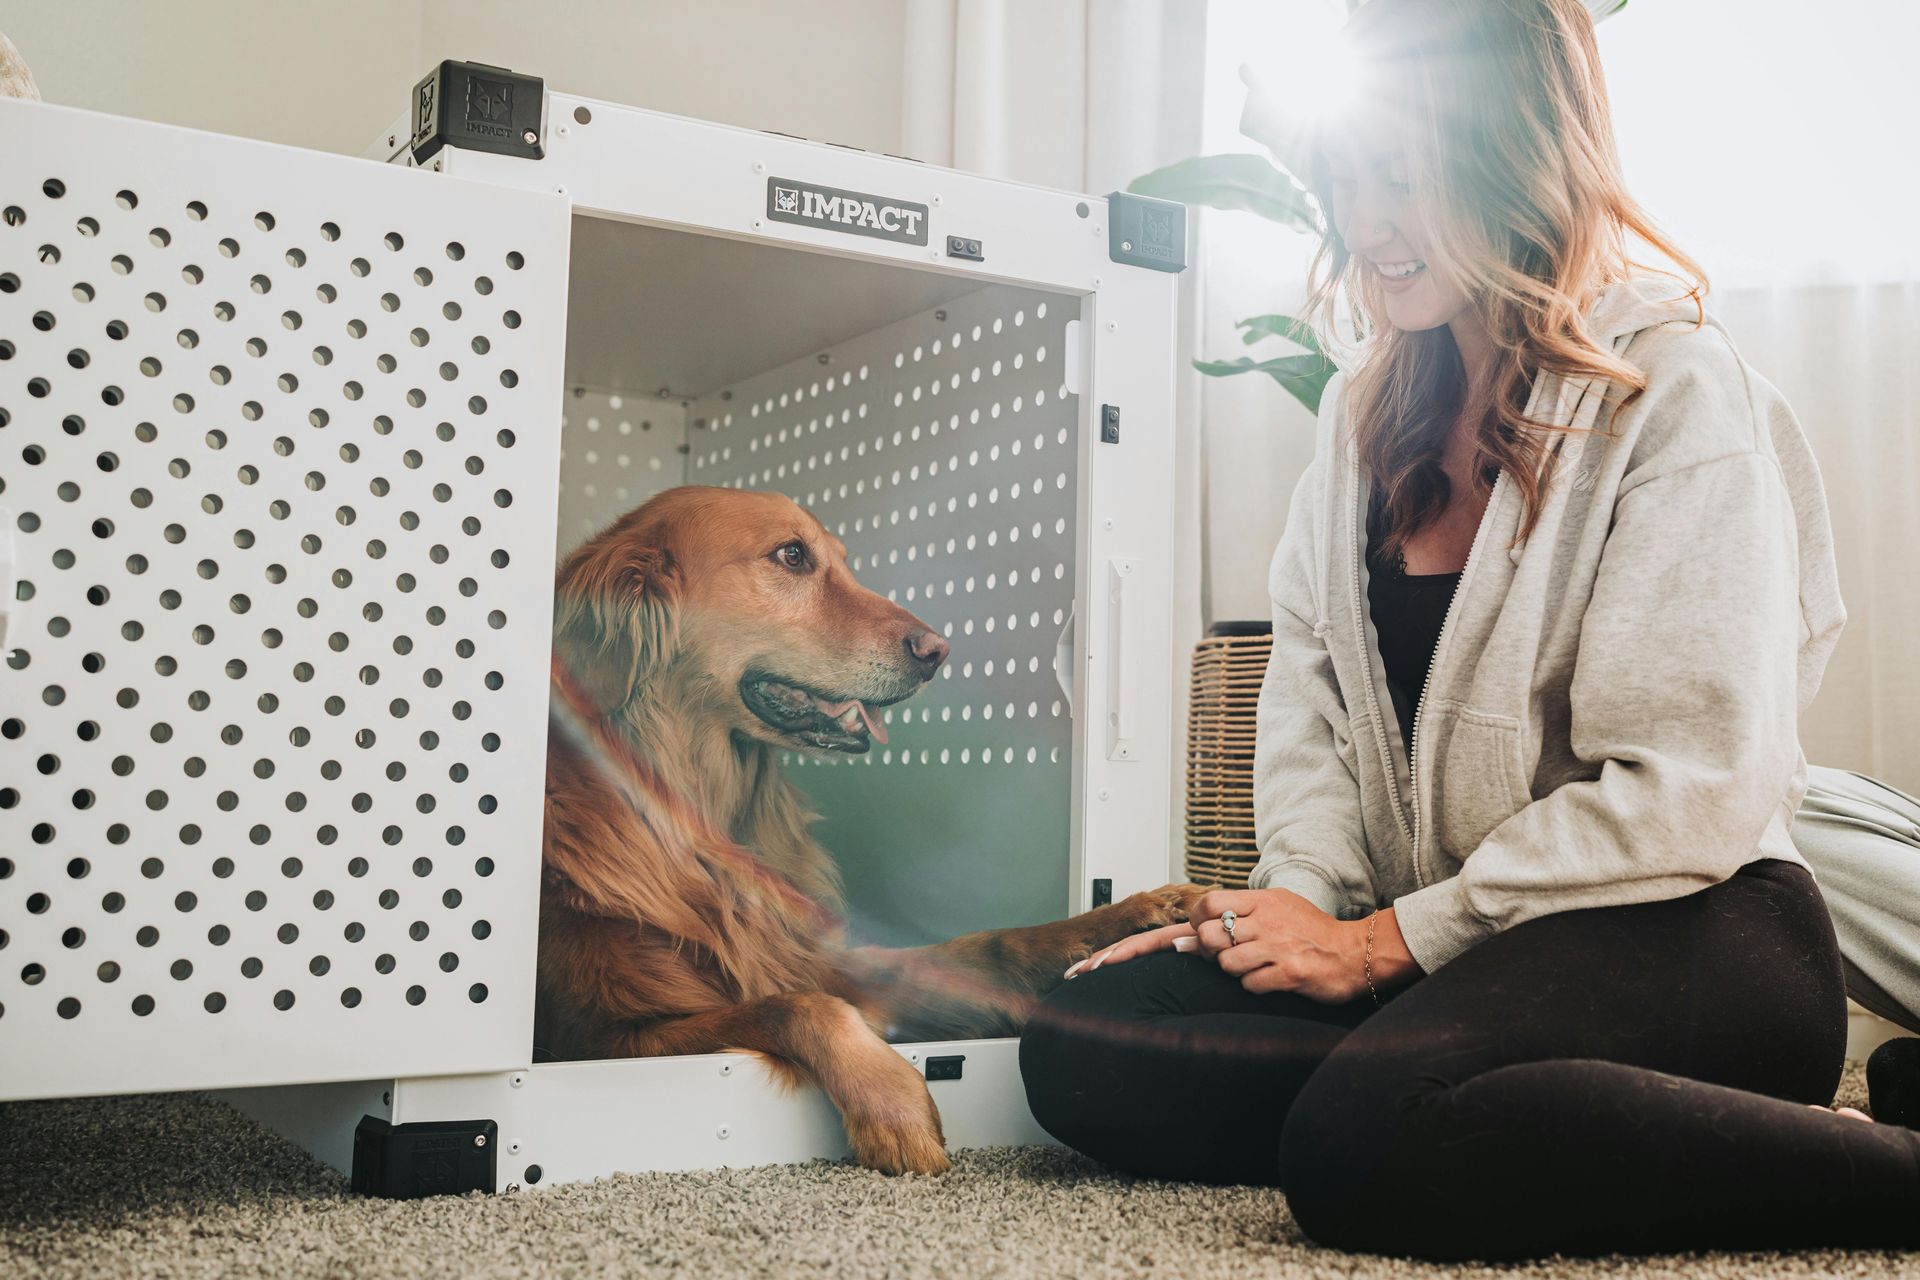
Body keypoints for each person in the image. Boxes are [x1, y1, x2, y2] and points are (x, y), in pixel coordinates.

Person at [1017, 0, 1920, 1261]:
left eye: (1406, 175)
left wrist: (1388, 942)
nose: (1369, 223)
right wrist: (1300, 909)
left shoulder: (1673, 393)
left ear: (1520, 155)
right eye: (1348, 175)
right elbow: (1314, 711)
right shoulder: (1356, 417)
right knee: (1088, 1042)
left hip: (1698, 930)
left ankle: (1890, 1164)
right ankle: (1516, 1102)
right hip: (1461, 950)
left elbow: (1690, 789)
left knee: (1361, 1144)